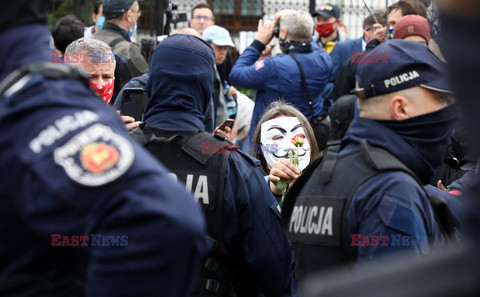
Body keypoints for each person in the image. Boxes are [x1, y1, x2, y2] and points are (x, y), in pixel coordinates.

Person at [0, 1, 209, 296]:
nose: (99, 86)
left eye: (107, 77)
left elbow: (166, 221)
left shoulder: (34, 112)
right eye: (90, 78)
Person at [282, 40, 457, 281]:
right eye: (440, 99)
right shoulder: (391, 190)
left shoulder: (320, 173)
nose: (449, 110)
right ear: (401, 108)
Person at [137, 33, 294, 297]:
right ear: (205, 87)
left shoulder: (112, 153)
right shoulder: (234, 167)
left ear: (153, 81)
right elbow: (276, 272)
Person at [229, 9, 332, 147]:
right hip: (304, 139)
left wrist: (258, 43)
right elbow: (307, 40)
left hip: (271, 141)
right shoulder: (324, 59)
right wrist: (300, 24)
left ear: (283, 33)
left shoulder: (273, 66)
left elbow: (235, 75)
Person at [250, 101, 320, 201]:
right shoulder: (250, 191)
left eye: (299, 135)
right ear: (262, 148)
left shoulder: (325, 187)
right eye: (277, 137)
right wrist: (276, 189)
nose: (290, 146)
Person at [93, 0, 149, 103]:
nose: (137, 17)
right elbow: (146, 86)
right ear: (128, 14)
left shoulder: (88, 41)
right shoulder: (127, 49)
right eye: (137, 13)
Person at [203, 25, 237, 128]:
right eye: (219, 47)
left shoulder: (221, 67)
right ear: (206, 45)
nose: (223, 52)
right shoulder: (204, 71)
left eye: (225, 48)